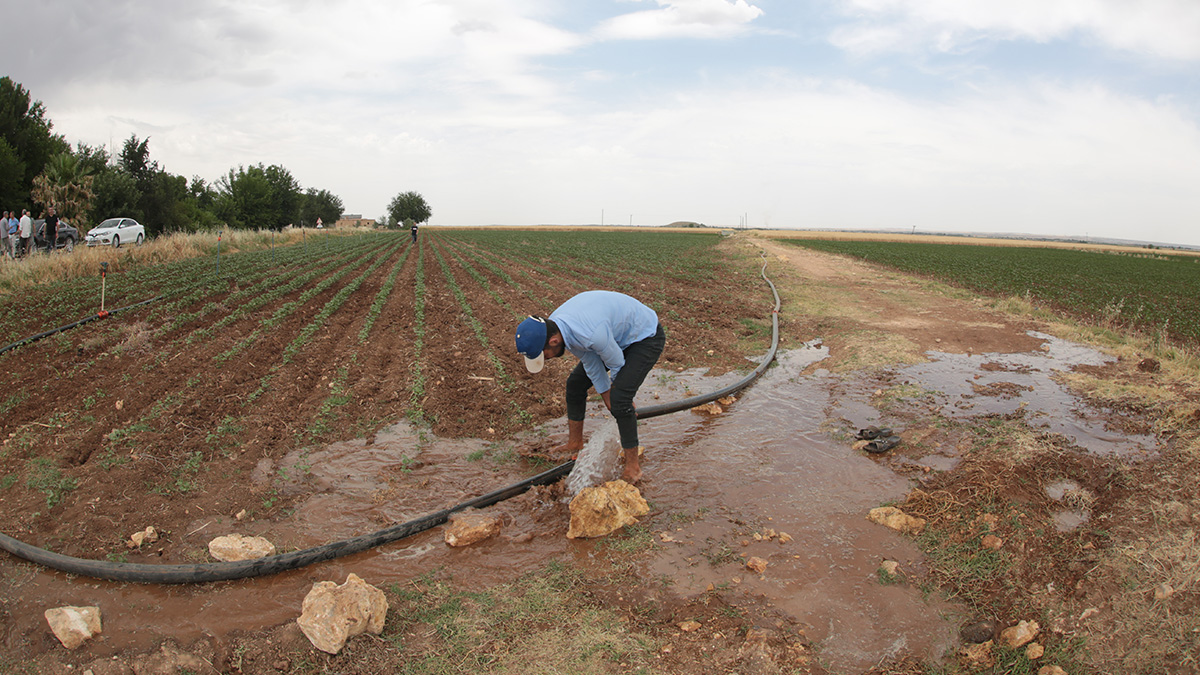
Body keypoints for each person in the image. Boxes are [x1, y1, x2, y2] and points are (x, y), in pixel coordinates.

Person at [515, 290, 666, 483]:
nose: (546, 359)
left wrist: (619, 398)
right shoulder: (557, 327)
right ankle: (575, 443)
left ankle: (633, 467)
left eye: (544, 355)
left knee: (620, 401)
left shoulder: (590, 334)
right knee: (575, 384)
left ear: (553, 341)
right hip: (612, 336)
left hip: (644, 336)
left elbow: (617, 363)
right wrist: (606, 395)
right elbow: (590, 361)